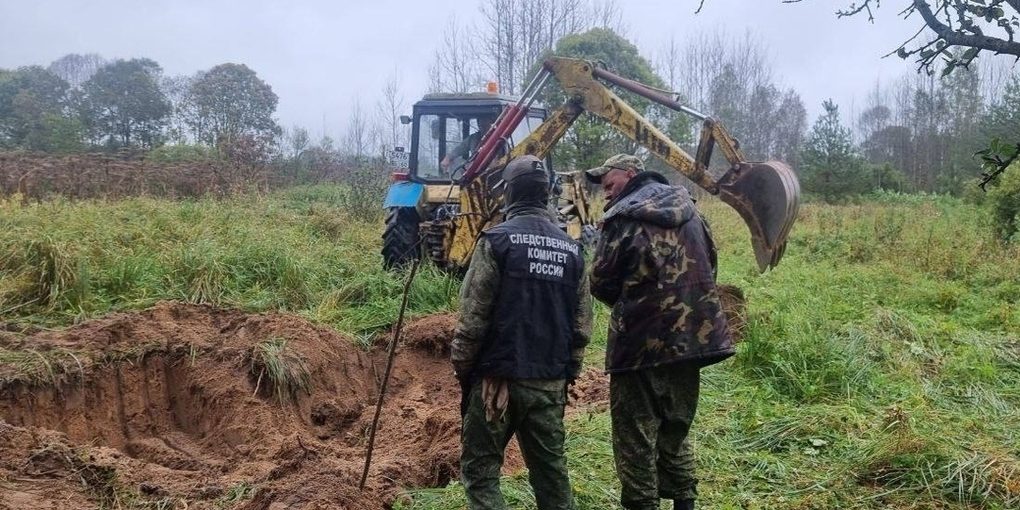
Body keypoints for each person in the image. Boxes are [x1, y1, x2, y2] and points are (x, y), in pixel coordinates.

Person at [585, 154, 734, 510]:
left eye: (610, 184)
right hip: (694, 340)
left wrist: (637, 302)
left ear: (631, 175)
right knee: (675, 427)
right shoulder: (694, 212)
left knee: (635, 437)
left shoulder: (622, 219)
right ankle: (685, 503)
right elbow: (710, 265)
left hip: (639, 347)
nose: (606, 194)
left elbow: (601, 282)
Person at [451, 154, 592, 510]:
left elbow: (472, 317)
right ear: (546, 194)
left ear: (509, 194)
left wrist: (465, 371)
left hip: (497, 382)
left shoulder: (496, 241)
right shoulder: (573, 250)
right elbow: (582, 324)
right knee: (551, 471)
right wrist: (568, 372)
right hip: (549, 381)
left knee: (481, 471)